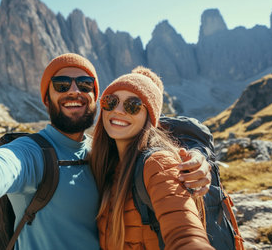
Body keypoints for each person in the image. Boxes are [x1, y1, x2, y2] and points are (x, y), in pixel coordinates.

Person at [0, 53, 211, 249]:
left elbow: (164, 144)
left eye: (85, 84)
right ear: (46, 100)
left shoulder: (103, 155)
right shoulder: (32, 152)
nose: (74, 91)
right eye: (61, 84)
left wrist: (199, 158)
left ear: (95, 99)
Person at [90, 66, 214, 249]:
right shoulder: (107, 165)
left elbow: (185, 236)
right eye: (110, 101)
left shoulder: (158, 163)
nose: (118, 111)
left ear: (150, 117)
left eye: (133, 106)